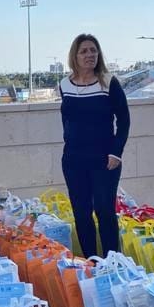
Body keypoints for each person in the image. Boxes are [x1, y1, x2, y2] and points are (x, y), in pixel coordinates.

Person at [59, 33, 131, 258]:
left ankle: (112, 261)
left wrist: (116, 153)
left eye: (93, 50)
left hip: (104, 160)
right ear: (75, 56)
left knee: (104, 211)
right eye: (84, 51)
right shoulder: (64, 84)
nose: (89, 55)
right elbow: (67, 120)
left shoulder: (109, 82)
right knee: (81, 213)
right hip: (74, 160)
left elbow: (124, 120)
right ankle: (91, 262)